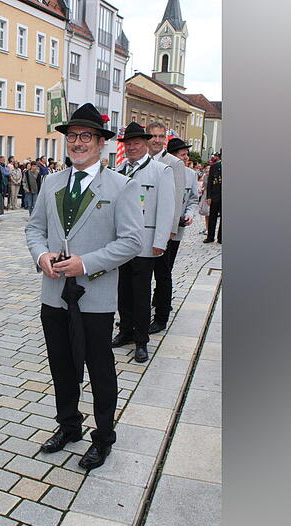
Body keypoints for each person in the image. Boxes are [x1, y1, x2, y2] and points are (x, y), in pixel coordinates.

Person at [25, 103, 142, 470]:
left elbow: (131, 241)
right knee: (61, 365)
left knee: (100, 369)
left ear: (101, 143)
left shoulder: (121, 186)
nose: (77, 143)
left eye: (86, 136)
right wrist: (42, 256)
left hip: (95, 297)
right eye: (72, 136)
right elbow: (34, 228)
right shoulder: (52, 181)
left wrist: (86, 263)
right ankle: (69, 426)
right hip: (55, 294)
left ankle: (103, 437)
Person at [112, 122, 176, 363]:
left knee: (140, 293)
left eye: (136, 143)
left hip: (146, 243)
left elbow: (166, 208)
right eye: (128, 144)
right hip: (121, 243)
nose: (131, 147)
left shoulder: (160, 171)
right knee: (122, 290)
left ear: (146, 144)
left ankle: (141, 340)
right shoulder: (119, 170)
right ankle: (125, 331)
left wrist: (160, 241)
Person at [149, 138, 200, 333]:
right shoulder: (160, 169)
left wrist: (188, 214)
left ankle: (162, 307)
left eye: (187, 155)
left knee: (164, 271)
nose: (186, 158)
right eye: (182, 154)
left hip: (174, 232)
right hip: (153, 231)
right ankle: (152, 303)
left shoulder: (190, 175)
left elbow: (193, 199)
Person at [204, 154, 222, 243]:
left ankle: (221, 237)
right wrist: (209, 196)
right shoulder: (215, 167)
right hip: (215, 195)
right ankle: (210, 237)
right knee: (212, 217)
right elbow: (210, 182)